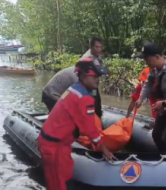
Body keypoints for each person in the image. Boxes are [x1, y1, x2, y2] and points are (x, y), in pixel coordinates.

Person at [38, 58, 114, 190]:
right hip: (54, 146)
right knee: (58, 184)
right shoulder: (84, 97)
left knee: (64, 176)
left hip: (57, 143)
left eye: (98, 77)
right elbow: (90, 130)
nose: (97, 80)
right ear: (83, 75)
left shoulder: (74, 89)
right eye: (94, 76)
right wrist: (105, 150)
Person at [41, 37, 104, 118]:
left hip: (62, 93)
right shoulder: (78, 80)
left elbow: (96, 95)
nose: (96, 78)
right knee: (70, 115)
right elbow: (82, 100)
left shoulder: (89, 76)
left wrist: (98, 113)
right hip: (51, 94)